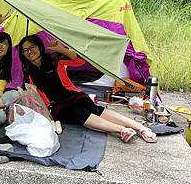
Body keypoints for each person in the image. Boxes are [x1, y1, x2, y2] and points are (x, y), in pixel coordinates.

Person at [18, 34, 156, 143]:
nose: (30, 52)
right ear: (22, 54)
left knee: (94, 109)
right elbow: (36, 94)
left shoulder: (54, 59)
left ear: (39, 47)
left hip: (72, 95)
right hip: (57, 106)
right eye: (25, 50)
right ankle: (121, 130)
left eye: (32, 47)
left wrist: (60, 48)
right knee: (79, 113)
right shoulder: (29, 71)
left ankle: (141, 128)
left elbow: (79, 61)